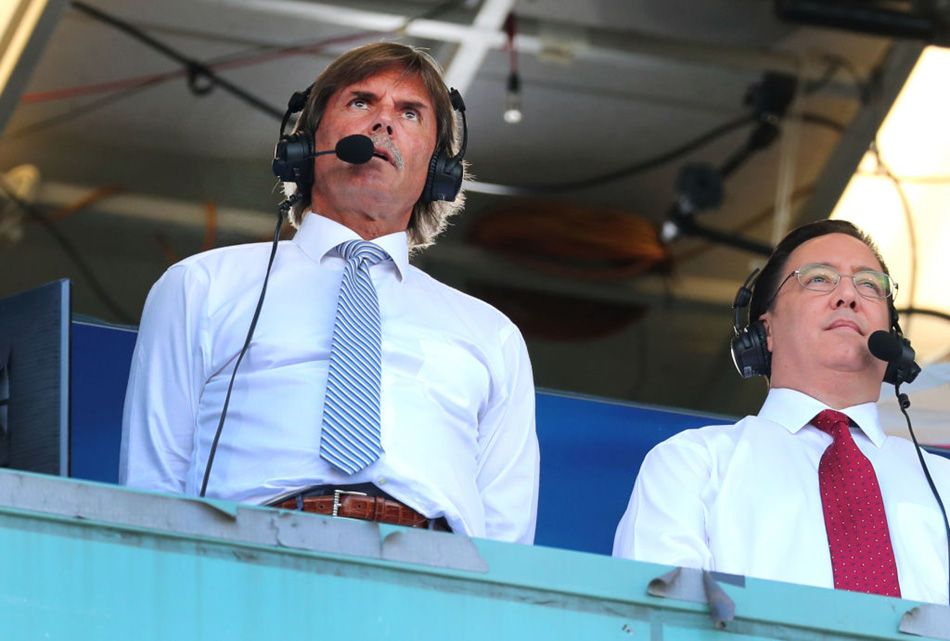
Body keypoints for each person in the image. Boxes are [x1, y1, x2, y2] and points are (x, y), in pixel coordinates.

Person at [119, 42, 540, 544]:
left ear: (438, 169)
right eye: (361, 102)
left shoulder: (492, 334)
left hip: (431, 588)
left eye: (410, 113)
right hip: (250, 563)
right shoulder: (202, 286)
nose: (383, 122)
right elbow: (152, 488)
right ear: (306, 142)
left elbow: (507, 540)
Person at [613, 219, 950, 603]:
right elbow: (657, 623)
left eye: (870, 285)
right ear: (764, 332)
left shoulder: (944, 485)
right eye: (819, 279)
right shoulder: (692, 465)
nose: (848, 296)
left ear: (894, 338)